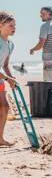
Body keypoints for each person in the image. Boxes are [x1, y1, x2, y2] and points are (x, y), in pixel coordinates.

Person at [0, 11, 17, 147]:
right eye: (11, 25)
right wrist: (7, 78)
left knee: (5, 107)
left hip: (0, 79)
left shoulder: (10, 45)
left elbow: (5, 65)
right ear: (1, 25)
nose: (14, 28)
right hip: (2, 78)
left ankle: (0, 138)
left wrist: (11, 77)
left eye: (15, 25)